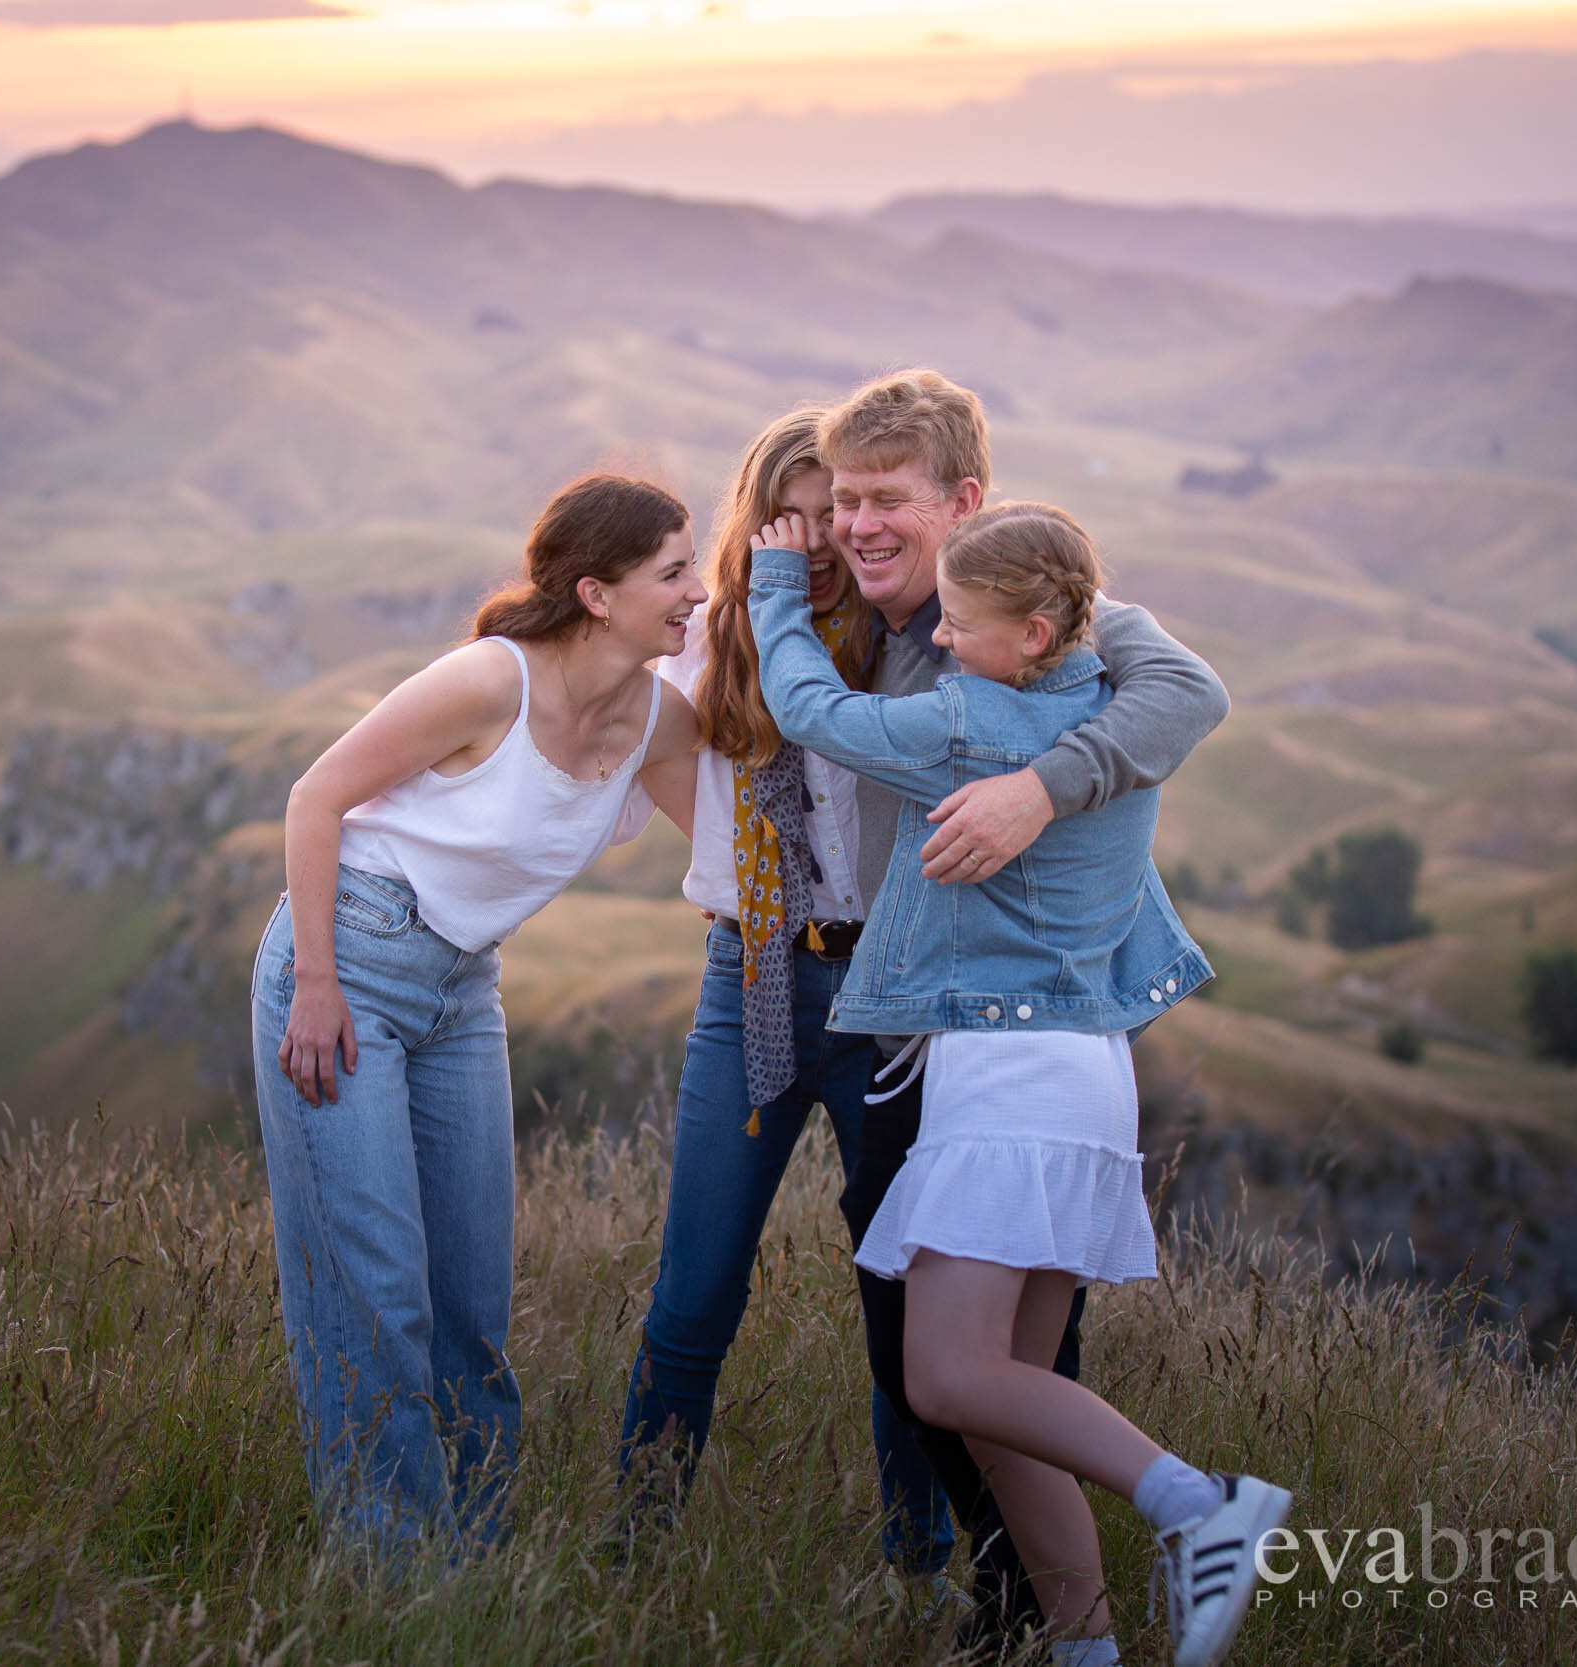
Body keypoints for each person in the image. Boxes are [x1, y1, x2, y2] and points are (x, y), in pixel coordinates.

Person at [616, 404, 1229, 1630]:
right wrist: (744, 880)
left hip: (928, 1014)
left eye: (865, 506)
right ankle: (642, 1552)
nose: (845, 534)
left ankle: (986, 1581)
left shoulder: (1001, 616)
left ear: (959, 502)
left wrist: (1037, 792)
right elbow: (662, 730)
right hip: (783, 979)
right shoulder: (777, 627)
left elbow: (1187, 689)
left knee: (931, 1326)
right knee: (723, 1298)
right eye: (822, 513)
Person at [749, 499, 1288, 1667]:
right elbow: (1165, 670)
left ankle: (1201, 1504)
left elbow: (804, 708)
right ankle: (1084, 1649)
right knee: (1011, 1408)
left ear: (1036, 633)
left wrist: (776, 586)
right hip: (1089, 1075)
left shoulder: (960, 723)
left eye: (962, 620)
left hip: (1005, 1081)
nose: (940, 638)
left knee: (943, 1374)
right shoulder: (1115, 709)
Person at [253, 472, 704, 1556]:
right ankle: (397, 1575)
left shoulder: (658, 716)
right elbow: (315, 796)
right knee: (373, 1293)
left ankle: (482, 1555)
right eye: (676, 572)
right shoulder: (486, 682)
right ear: (597, 593)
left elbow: (736, 854)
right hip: (346, 961)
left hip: (462, 990)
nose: (698, 592)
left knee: (468, 1302)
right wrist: (316, 983)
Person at [614, 407, 955, 1573]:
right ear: (755, 517)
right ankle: (635, 1549)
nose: (814, 537)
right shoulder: (712, 638)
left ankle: (917, 1563)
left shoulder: (904, 642)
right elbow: (615, 715)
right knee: (694, 1294)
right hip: (750, 973)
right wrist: (725, 863)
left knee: (899, 1296)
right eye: (790, 514)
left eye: (834, 513)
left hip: (886, 994)